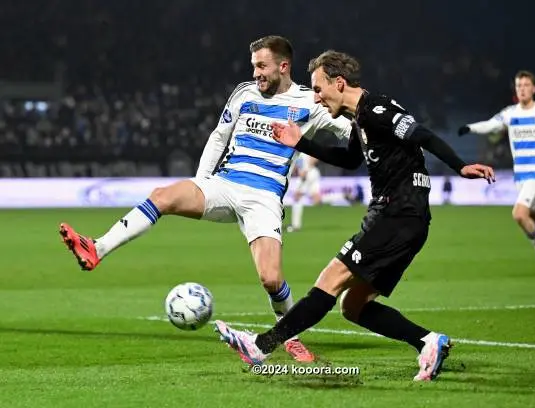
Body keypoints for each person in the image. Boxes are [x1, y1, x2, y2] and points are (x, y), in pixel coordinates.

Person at [58, 36, 354, 362]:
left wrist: (377, 129)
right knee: (162, 196)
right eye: (253, 65)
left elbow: (348, 128)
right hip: (224, 184)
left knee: (271, 278)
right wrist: (201, 184)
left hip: (264, 198)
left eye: (261, 66)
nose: (255, 72)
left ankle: (289, 335)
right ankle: (96, 248)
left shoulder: (309, 102)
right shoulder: (244, 94)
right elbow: (218, 137)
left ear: (283, 66)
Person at [213, 50, 495, 381]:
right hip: (403, 218)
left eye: (318, 89)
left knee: (329, 280)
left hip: (398, 214)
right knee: (354, 306)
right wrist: (300, 142)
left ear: (340, 83)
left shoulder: (377, 111)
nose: (316, 99)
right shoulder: (360, 119)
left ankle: (260, 346)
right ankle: (428, 342)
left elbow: (422, 134)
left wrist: (460, 166)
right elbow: (348, 160)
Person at [457, 70, 535, 281]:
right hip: (520, 176)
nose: (521, 89)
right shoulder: (511, 113)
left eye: (525, 85)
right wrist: (470, 128)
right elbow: (491, 124)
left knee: (519, 214)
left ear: (534, 89)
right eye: (518, 85)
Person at [286, 152, 321, 232]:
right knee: (316, 199)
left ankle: (295, 225)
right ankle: (342, 196)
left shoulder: (303, 151)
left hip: (309, 174)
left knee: (298, 198)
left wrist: (306, 170)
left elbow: (313, 159)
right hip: (308, 174)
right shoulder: (298, 153)